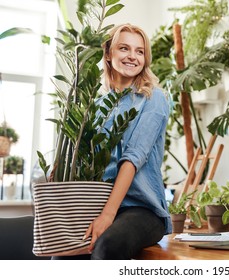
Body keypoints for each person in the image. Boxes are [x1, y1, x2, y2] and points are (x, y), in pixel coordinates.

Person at [53, 23, 172, 260]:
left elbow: (132, 159)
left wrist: (108, 214)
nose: (132, 56)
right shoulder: (95, 107)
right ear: (108, 54)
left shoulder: (153, 99)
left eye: (139, 51)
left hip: (142, 209)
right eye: (124, 48)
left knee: (107, 246)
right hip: (97, 206)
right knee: (62, 255)